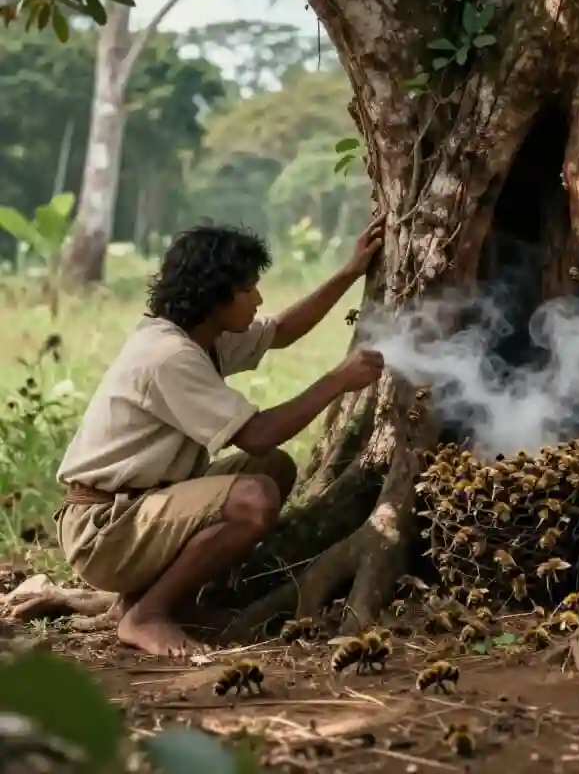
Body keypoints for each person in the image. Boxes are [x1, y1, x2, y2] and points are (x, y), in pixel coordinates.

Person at [54, 215, 388, 657]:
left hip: (136, 507)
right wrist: (336, 381)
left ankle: (169, 602)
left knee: (273, 470)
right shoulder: (170, 356)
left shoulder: (200, 336)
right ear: (214, 296)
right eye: (248, 288)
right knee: (254, 499)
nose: (259, 298)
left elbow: (281, 331)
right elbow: (258, 434)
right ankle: (146, 615)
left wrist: (349, 272)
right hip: (104, 530)